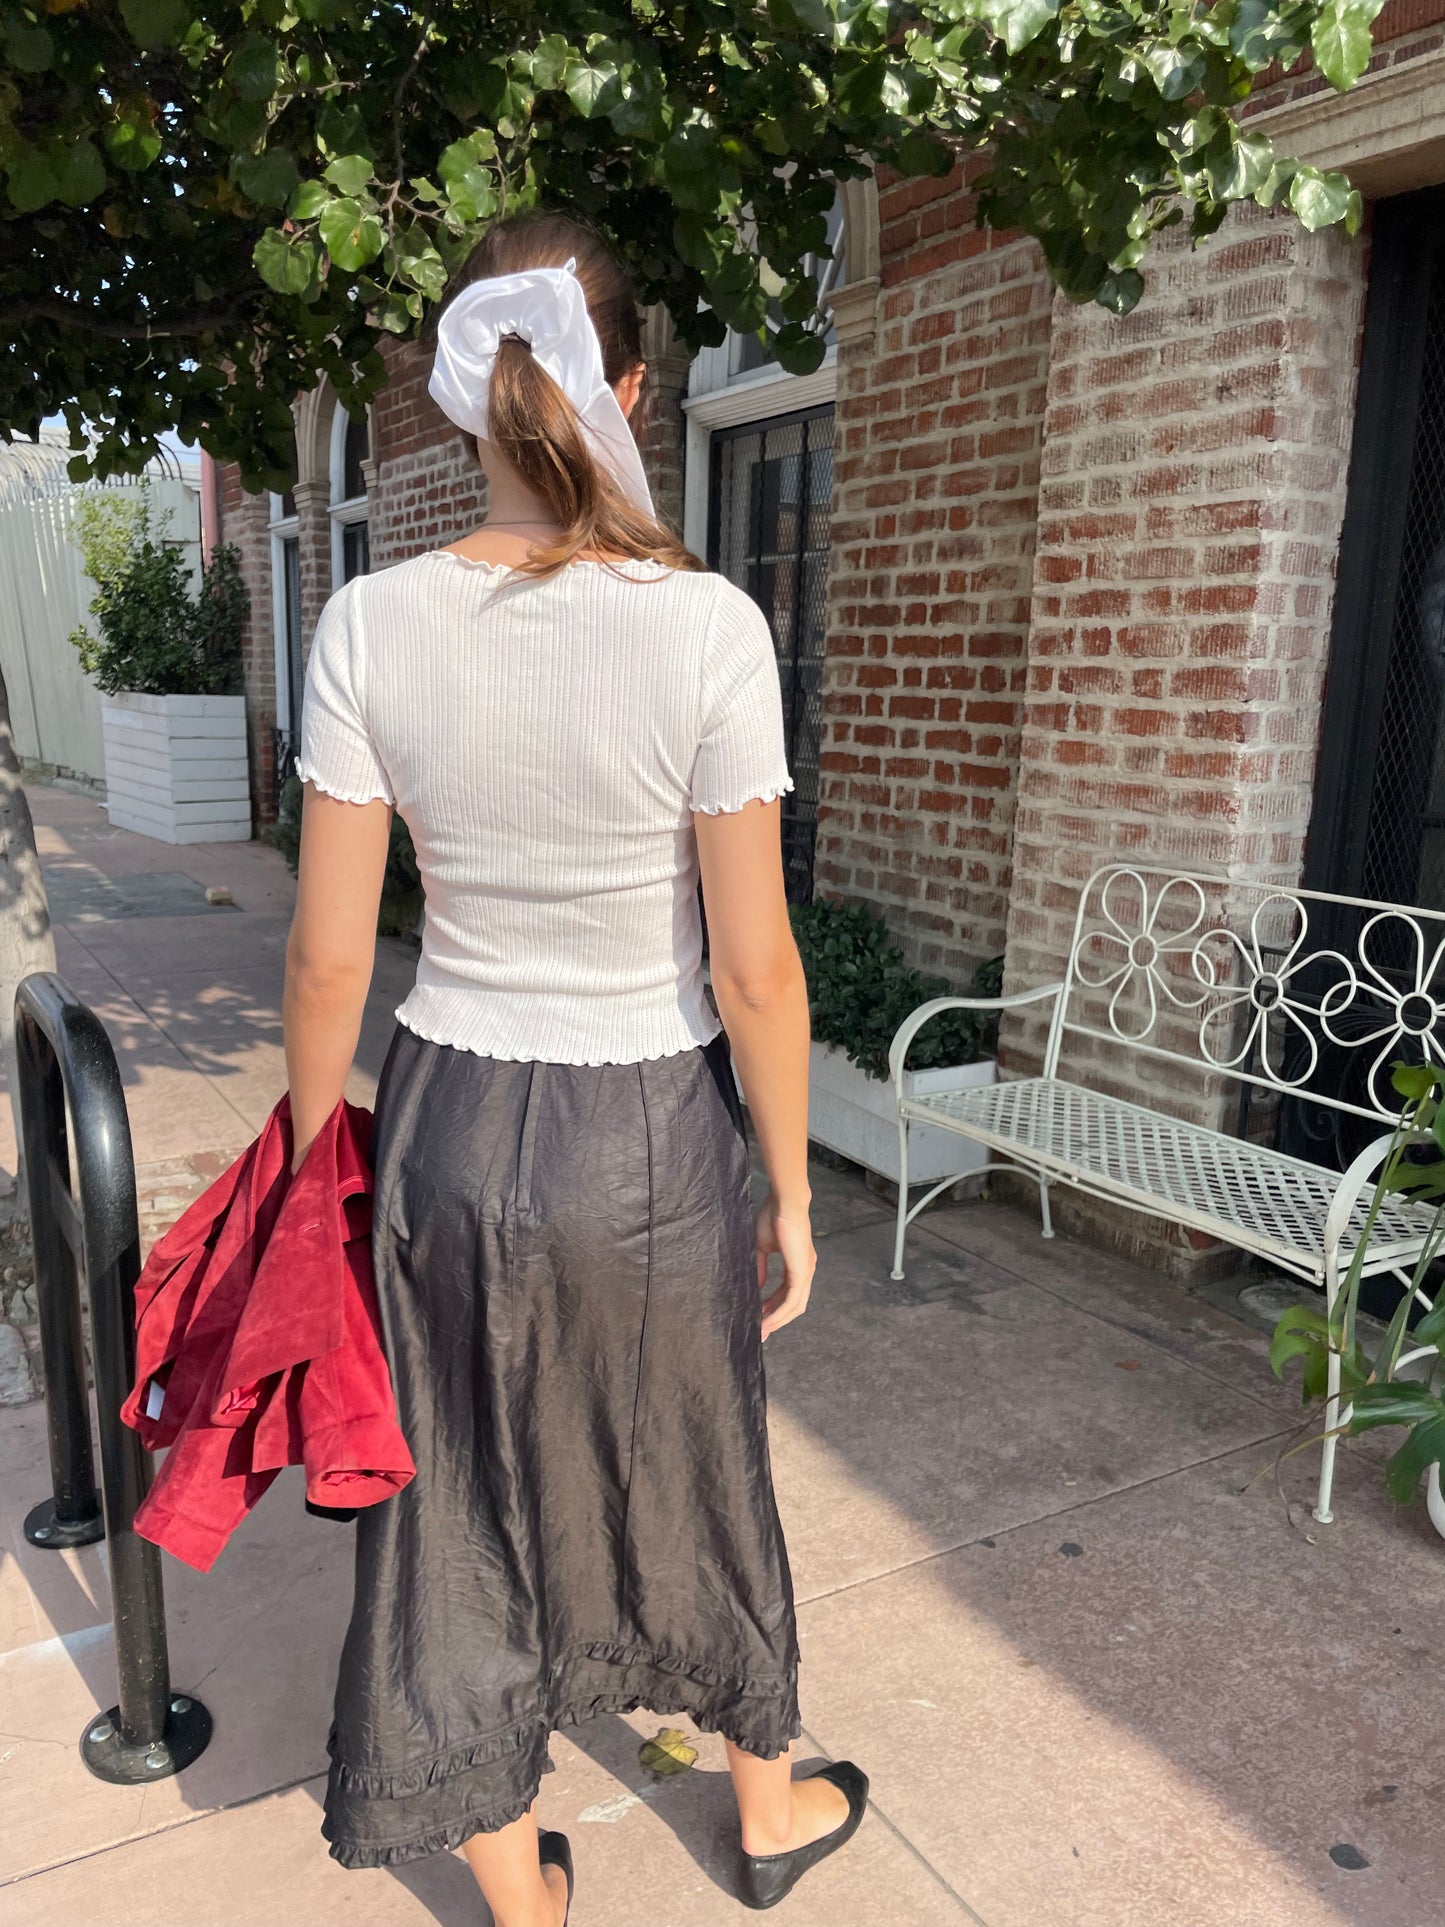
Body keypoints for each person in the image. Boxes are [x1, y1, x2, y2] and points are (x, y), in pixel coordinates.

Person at [282, 208, 868, 1926]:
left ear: (468, 404)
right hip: (653, 1132)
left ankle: (517, 1894)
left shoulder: (368, 627)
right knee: (696, 1450)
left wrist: (318, 1176)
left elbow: (327, 956)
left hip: (454, 1122)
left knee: (453, 1488)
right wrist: (785, 1187)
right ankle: (763, 1815)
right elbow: (757, 966)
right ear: (630, 382)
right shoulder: (705, 629)